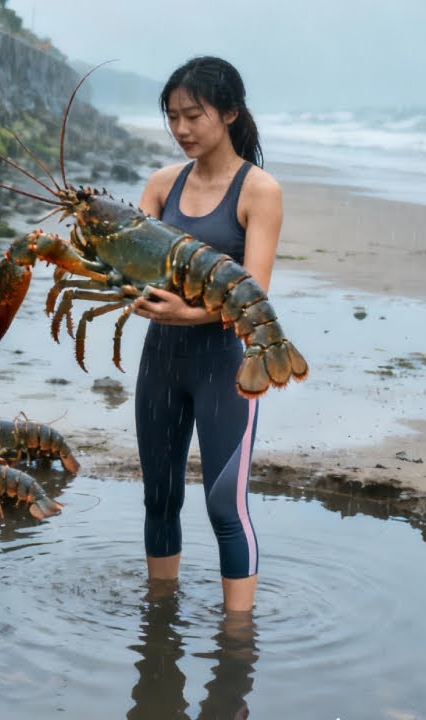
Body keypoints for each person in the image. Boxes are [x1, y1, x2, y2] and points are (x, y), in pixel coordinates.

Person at [130, 56, 284, 613]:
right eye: (172, 117)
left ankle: (238, 643)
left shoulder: (258, 190)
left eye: (193, 115)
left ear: (229, 113)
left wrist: (186, 314)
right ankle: (160, 622)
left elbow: (256, 292)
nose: (181, 130)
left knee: (226, 507)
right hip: (161, 362)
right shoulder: (160, 185)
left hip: (225, 365)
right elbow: (130, 270)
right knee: (159, 498)